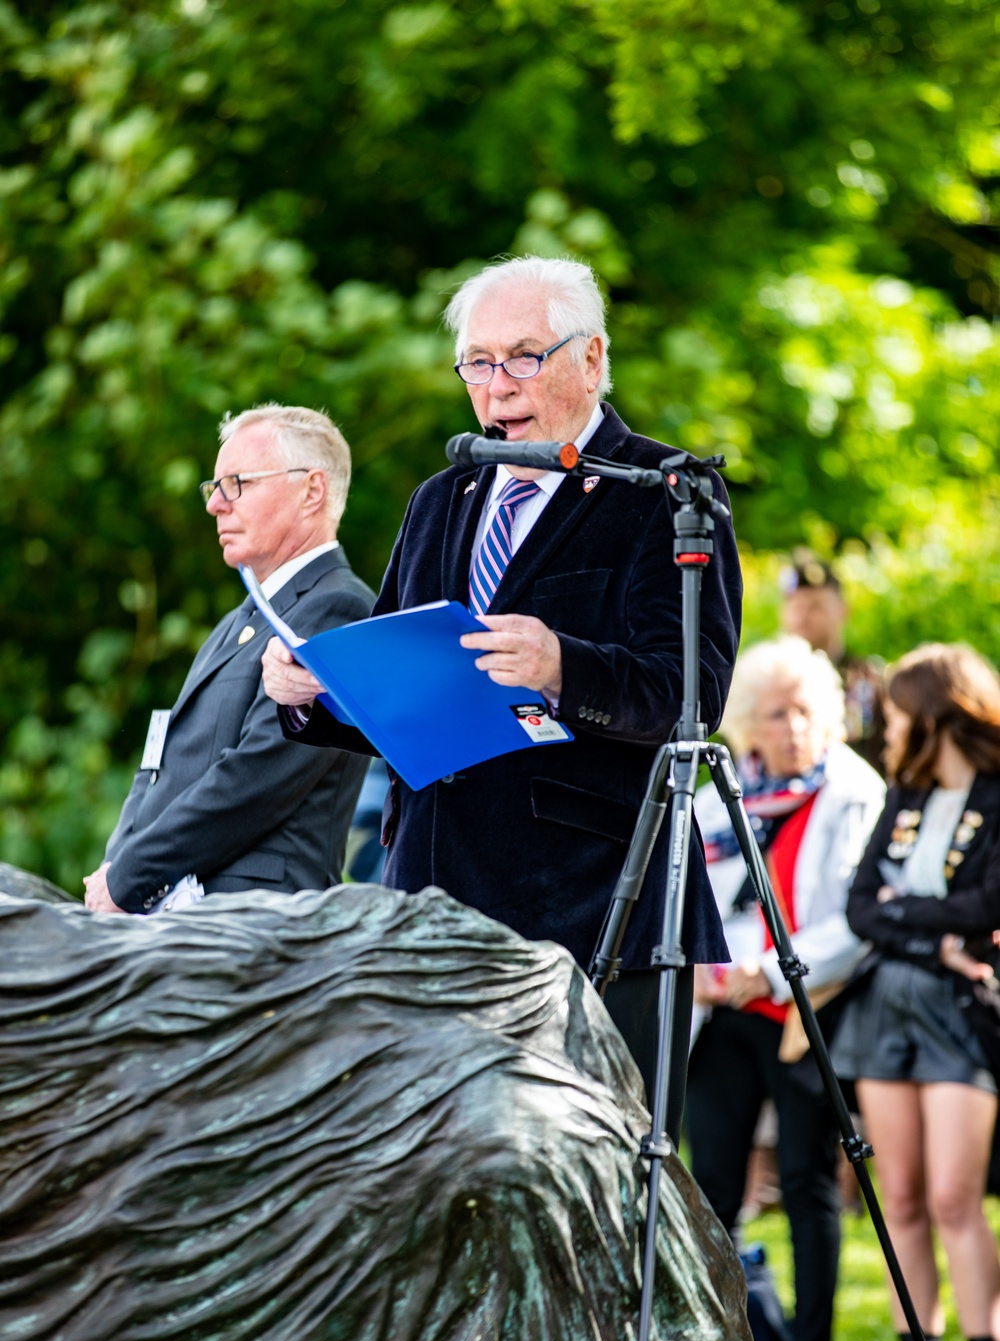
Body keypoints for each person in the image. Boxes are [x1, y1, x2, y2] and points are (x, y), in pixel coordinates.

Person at [261, 255, 742, 1128]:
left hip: (594, 907)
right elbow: (411, 696)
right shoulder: (441, 498)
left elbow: (691, 702)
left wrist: (564, 666)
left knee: (595, 1189)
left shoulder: (667, 494)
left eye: (523, 356)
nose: (496, 385)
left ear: (591, 359)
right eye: (477, 363)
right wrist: (316, 691)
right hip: (434, 901)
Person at [685, 635, 885, 1341]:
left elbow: (856, 919)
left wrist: (766, 972)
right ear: (746, 722)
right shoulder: (714, 797)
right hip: (724, 1016)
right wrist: (709, 972)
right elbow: (699, 898)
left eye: (806, 709)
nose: (794, 725)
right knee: (713, 1185)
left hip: (807, 1009)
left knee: (806, 1181)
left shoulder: (854, 790)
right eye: (777, 712)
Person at [84, 405, 375, 914]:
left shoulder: (338, 607)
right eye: (213, 487)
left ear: (312, 491)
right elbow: (158, 764)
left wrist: (130, 877)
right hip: (179, 924)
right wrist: (115, 871)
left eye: (237, 482)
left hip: (256, 929)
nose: (215, 505)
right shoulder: (240, 622)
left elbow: (256, 780)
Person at [833, 642, 1000, 1341]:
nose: (886, 726)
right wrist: (931, 933)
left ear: (935, 715)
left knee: (952, 1198)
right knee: (895, 1197)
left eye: (897, 713)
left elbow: (986, 908)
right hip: (885, 1009)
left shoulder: (998, 797)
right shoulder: (901, 795)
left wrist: (913, 916)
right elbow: (862, 905)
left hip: (960, 1017)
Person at [780, 553, 884, 770]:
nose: (804, 616)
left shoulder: (869, 679)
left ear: (843, 611)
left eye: (816, 606)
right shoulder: (769, 683)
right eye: (796, 607)